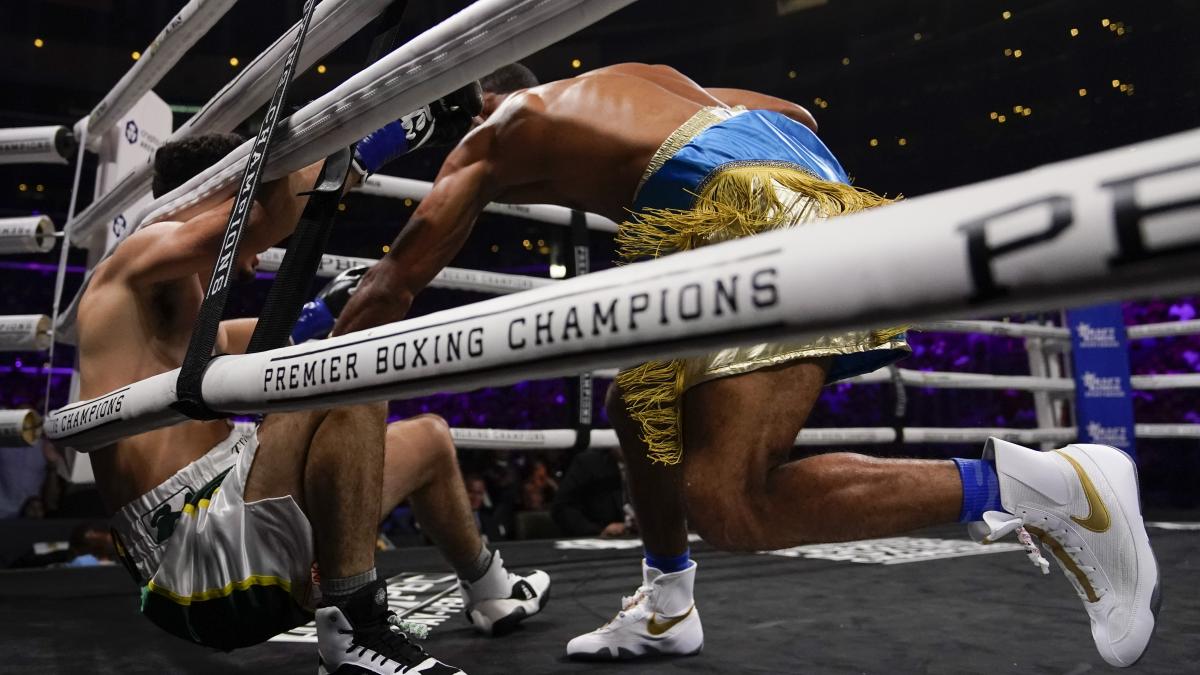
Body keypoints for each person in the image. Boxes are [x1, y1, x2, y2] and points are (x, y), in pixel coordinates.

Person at [331, 62, 1160, 668]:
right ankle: (667, 604)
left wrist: (309, 369)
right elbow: (793, 110)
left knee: (733, 503)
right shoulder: (642, 83)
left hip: (735, 205)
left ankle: (1047, 486)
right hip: (760, 180)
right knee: (640, 398)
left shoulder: (492, 131)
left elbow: (395, 280)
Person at [76, 102, 547, 674]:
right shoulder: (131, 265)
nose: (255, 261)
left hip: (235, 539)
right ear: (213, 200)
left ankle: (491, 589)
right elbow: (255, 223)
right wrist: (382, 137)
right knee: (355, 363)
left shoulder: (186, 324)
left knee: (429, 439)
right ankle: (355, 623)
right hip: (197, 561)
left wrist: (329, 309)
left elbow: (281, 335)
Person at [552, 446, 628, 538]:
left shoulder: (647, 462)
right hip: (599, 540)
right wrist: (599, 531)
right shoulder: (589, 463)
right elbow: (562, 507)